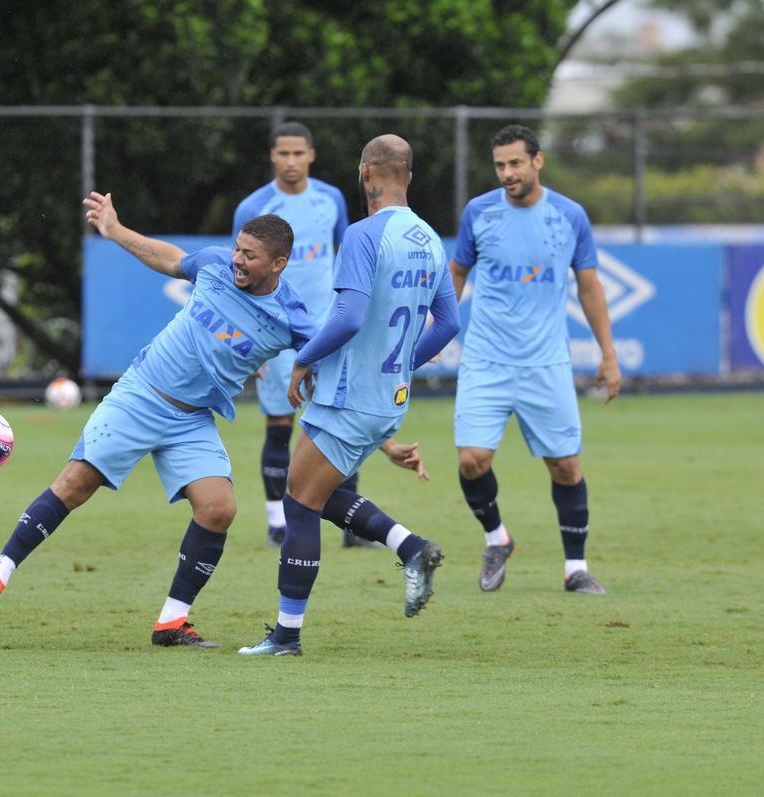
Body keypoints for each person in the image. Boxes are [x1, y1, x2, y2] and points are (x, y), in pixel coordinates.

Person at [0, 192, 318, 648]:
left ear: (279, 264)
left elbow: (328, 345)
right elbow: (171, 259)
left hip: (191, 420)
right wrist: (113, 229)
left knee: (219, 509)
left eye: (251, 256)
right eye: (237, 250)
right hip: (141, 394)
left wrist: (311, 364)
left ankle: (171, 622)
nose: (237, 261)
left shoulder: (291, 316)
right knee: (74, 485)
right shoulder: (215, 266)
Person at [238, 134, 461, 657]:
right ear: (410, 176)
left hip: (350, 394)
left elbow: (349, 316)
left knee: (298, 503)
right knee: (313, 490)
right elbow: (449, 322)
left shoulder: (363, 235)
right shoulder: (430, 239)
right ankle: (411, 547)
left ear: (366, 174)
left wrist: (305, 357)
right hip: (390, 396)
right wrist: (403, 363)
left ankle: (286, 635)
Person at [451, 124, 620, 595]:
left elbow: (589, 288)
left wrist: (608, 355)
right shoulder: (479, 213)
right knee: (471, 460)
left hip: (545, 362)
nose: (507, 173)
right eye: (500, 165)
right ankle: (497, 539)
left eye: (515, 163)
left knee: (565, 467)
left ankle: (575, 569)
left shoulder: (570, 216)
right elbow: (457, 272)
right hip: (485, 358)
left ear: (537, 161)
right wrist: (435, 328)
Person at [232, 122, 363, 548]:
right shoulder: (254, 205)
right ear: (273, 156)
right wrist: (255, 348)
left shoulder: (331, 199)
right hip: (275, 337)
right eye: (283, 153)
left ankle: (352, 523)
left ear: (311, 154)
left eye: (298, 153)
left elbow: (347, 259)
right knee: (279, 425)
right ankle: (276, 522)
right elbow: (240, 278)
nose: (291, 161)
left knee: (342, 422)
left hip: (326, 331)